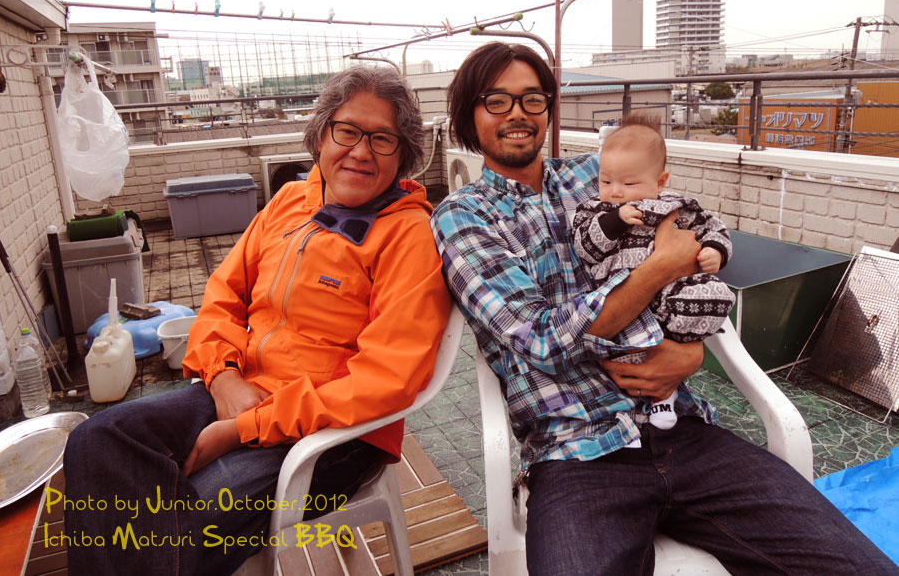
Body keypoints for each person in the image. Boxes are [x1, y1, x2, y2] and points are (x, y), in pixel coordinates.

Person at [431, 41, 898, 575]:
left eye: (532, 99)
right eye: (496, 100)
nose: (517, 113)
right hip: (576, 455)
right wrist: (653, 271)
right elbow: (541, 340)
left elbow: (689, 247)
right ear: (469, 112)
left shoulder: (597, 173)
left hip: (688, 433)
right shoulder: (463, 217)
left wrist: (691, 353)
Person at [63, 65, 452, 576]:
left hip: (334, 435)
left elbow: (387, 379)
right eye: (348, 131)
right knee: (97, 441)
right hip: (242, 389)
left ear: (403, 155)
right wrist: (223, 377)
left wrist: (241, 429)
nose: (361, 152)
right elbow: (224, 293)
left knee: (176, 525)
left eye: (383, 139)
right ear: (321, 136)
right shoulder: (290, 201)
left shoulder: (408, 235)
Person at [572, 114, 736, 429]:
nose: (615, 192)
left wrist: (715, 251)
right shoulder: (596, 210)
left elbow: (712, 228)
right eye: (606, 182)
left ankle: (666, 391)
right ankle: (646, 402)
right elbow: (584, 247)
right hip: (623, 299)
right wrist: (615, 221)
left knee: (715, 296)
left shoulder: (679, 206)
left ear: (660, 182)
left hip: (672, 295)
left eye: (629, 183)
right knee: (631, 351)